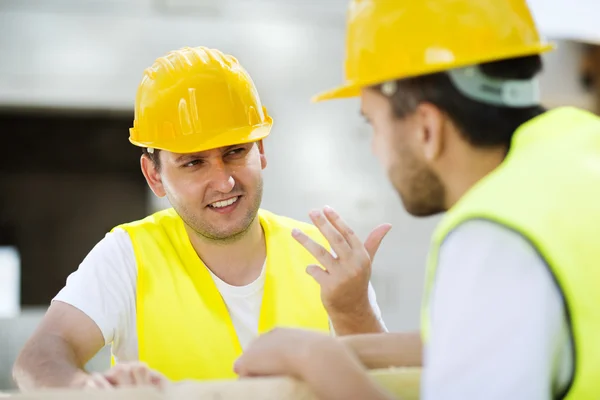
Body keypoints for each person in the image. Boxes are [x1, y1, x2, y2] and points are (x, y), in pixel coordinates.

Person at [233, 1, 600, 399]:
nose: (374, 148)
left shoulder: (496, 234)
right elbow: (497, 334)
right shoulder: (579, 147)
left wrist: (315, 359)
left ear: (426, 128)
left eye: (372, 123)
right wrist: (350, 345)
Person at [12, 46, 390, 391]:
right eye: (193, 163)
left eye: (235, 151)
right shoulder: (128, 256)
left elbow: (387, 386)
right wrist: (91, 392)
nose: (223, 181)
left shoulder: (322, 257)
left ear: (260, 150)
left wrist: (354, 310)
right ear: (154, 175)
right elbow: (40, 358)